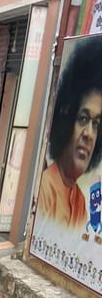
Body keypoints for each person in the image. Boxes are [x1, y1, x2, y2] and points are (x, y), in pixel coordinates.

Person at [38, 36, 102, 228]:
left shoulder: (81, 202)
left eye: (96, 124)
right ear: (66, 119)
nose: (89, 134)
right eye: (83, 119)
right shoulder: (46, 189)